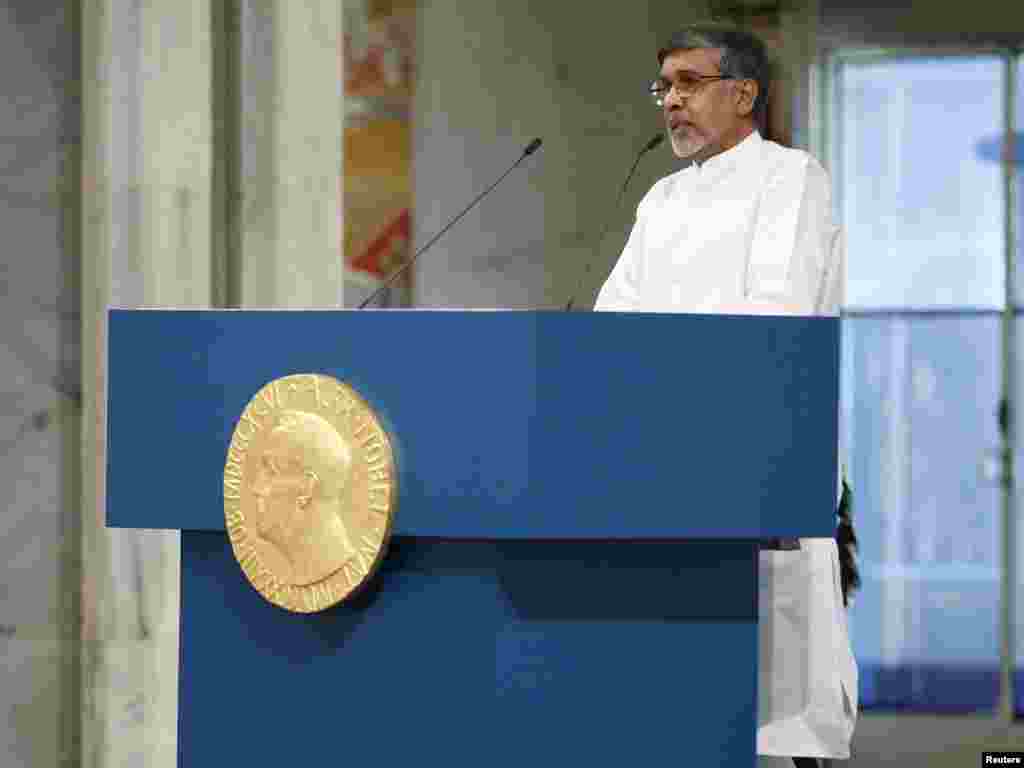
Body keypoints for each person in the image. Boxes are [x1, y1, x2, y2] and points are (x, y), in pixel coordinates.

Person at [593, 22, 859, 768]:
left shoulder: (791, 176)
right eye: (664, 87)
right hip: (660, 463)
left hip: (755, 451)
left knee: (774, 706)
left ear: (743, 93)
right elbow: (614, 322)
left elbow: (774, 315)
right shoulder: (661, 199)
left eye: (689, 83)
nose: (671, 101)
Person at [250, 409, 358, 585]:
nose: (256, 488)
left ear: (306, 488)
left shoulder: (330, 567)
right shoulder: (302, 573)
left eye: (270, 471)